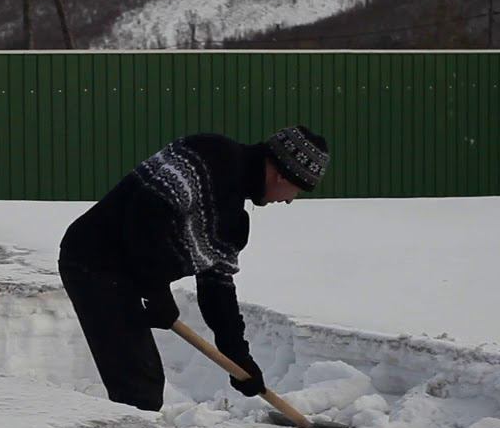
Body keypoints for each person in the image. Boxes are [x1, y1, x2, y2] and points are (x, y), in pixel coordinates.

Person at [58, 125, 330, 412]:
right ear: (281, 175)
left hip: (127, 276)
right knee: (139, 388)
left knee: (142, 387)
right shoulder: (210, 156)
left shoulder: (234, 223)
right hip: (93, 260)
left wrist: (239, 357)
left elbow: (217, 290)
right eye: (297, 189)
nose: (289, 200)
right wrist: (157, 292)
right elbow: (147, 212)